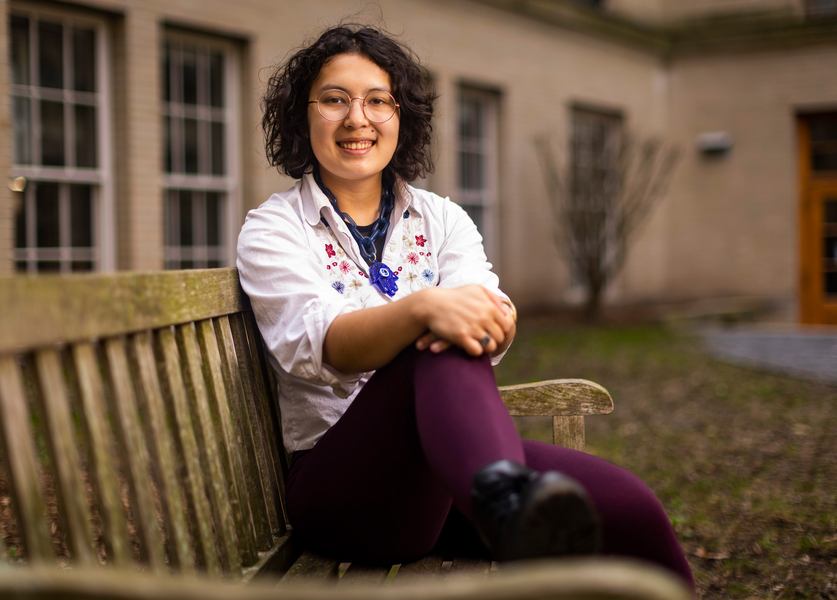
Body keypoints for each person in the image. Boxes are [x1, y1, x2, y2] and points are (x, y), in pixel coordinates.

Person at [237, 23, 694, 587]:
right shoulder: (273, 229)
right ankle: (506, 502)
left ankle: (507, 501)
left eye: (378, 101)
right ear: (302, 118)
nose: (357, 118)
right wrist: (426, 309)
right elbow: (319, 345)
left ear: (401, 118)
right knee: (434, 330)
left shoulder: (442, 218)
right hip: (344, 492)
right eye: (334, 100)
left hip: (450, 472)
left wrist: (485, 317)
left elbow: (484, 311)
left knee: (632, 508)